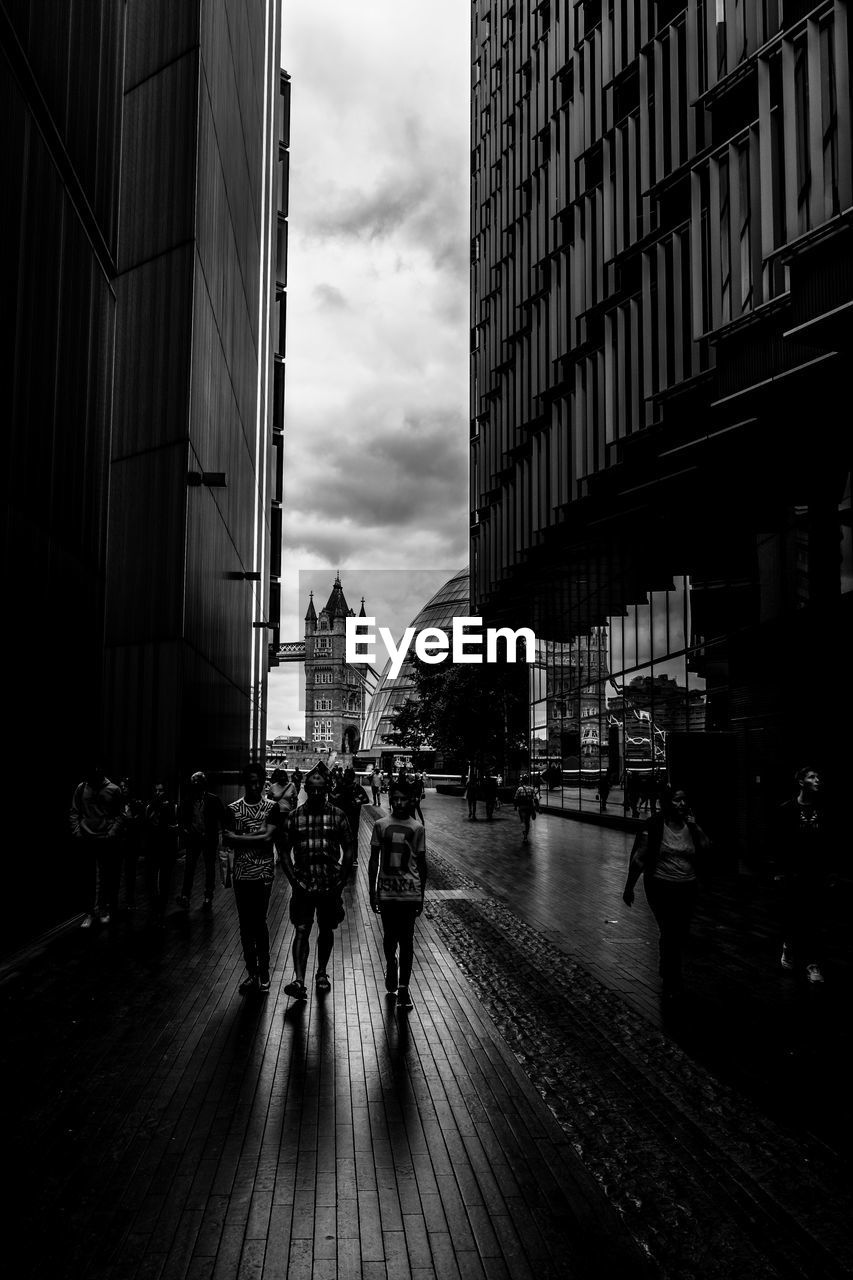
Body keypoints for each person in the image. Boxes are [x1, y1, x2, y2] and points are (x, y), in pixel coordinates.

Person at [622, 787, 711, 998]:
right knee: (669, 930)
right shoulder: (653, 826)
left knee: (680, 932)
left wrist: (695, 826)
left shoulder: (690, 826)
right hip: (661, 886)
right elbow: (638, 859)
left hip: (687, 886)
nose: (682, 805)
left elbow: (707, 848)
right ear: (667, 803)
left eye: (684, 801)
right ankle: (672, 977)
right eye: (677, 801)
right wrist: (629, 888)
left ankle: (668, 967)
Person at [278, 761, 354, 1000]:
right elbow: (283, 852)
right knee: (301, 929)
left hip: (329, 884)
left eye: (322, 789)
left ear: (327, 789)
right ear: (307, 790)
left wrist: (341, 880)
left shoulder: (338, 816)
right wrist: (293, 880)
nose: (317, 793)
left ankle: (321, 972)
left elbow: (349, 849)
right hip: (303, 884)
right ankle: (299, 980)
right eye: (313, 789)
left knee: (326, 928)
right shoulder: (294, 818)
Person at [772, 767, 837, 985]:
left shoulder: (823, 810)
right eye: (812, 777)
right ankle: (789, 946)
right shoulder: (787, 810)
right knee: (794, 918)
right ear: (801, 782)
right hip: (794, 875)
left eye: (818, 776)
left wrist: (829, 872)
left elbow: (829, 844)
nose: (817, 780)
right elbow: (780, 844)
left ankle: (812, 964)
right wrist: (780, 873)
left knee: (815, 920)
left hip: (815, 874)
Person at [368, 780, 427, 1011]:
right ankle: (391, 964)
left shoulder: (417, 828)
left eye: (404, 799)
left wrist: (421, 893)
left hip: (409, 892)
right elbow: (374, 860)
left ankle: (403, 987)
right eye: (396, 799)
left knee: (407, 940)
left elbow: (421, 864)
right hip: (387, 890)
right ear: (391, 799)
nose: (400, 803)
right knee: (390, 937)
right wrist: (373, 890)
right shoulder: (380, 825)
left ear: (411, 800)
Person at [223, 763, 278, 993]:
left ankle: (263, 971)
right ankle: (252, 972)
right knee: (246, 924)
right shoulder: (232, 809)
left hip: (263, 873)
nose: (255, 787)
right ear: (245, 783)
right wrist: (257, 836)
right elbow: (228, 839)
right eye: (251, 782)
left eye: (258, 782)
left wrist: (241, 837)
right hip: (242, 873)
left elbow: (268, 839)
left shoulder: (271, 807)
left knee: (259, 922)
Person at [69, 766, 123, 927]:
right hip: (87, 839)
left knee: (105, 877)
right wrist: (77, 832)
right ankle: (91, 912)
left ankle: (103, 909)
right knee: (88, 877)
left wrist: (111, 833)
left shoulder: (114, 790)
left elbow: (120, 815)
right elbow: (74, 811)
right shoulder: (82, 787)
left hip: (105, 839)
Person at [177, 771, 226, 910]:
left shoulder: (213, 799)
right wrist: (185, 831)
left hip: (209, 839)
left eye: (198, 783)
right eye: (194, 783)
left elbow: (222, 818)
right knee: (189, 868)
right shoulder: (188, 800)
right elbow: (183, 819)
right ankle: (186, 896)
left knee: (209, 867)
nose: (196, 786)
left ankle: (208, 895)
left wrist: (223, 835)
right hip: (194, 838)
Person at [144, 781, 179, 929]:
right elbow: (146, 828)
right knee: (152, 882)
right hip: (153, 849)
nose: (158, 793)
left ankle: (160, 912)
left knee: (164, 882)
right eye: (156, 790)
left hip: (166, 850)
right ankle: (155, 910)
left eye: (161, 790)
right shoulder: (149, 808)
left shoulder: (172, 807)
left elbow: (176, 827)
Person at [118, 777, 145, 913]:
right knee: (116, 873)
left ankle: (129, 900)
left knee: (130, 874)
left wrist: (128, 820)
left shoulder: (137, 804)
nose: (123, 788)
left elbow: (140, 823)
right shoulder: (116, 803)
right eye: (121, 786)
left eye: (125, 786)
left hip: (131, 843)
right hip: (118, 842)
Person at [337, 766, 370, 867]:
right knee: (345, 837)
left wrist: (357, 801)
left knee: (353, 838)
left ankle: (353, 857)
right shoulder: (341, 787)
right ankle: (350, 857)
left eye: (348, 776)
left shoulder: (356, 788)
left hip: (352, 816)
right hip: (344, 816)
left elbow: (366, 799)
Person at [513, 774, 538, 844]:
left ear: (522, 781)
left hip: (521, 808)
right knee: (527, 822)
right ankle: (525, 835)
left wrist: (515, 807)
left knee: (523, 821)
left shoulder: (519, 789)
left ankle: (524, 833)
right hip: (529, 808)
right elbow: (535, 799)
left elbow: (515, 799)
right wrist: (538, 808)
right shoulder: (531, 789)